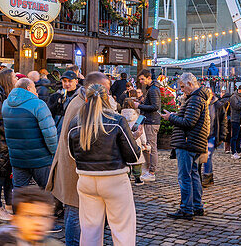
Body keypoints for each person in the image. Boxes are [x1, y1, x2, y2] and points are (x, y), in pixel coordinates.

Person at [68, 82, 141, 246]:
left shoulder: (76, 123)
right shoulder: (117, 121)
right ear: (107, 99)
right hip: (114, 178)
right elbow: (132, 155)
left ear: (86, 100)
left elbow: (72, 153)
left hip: (86, 178)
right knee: (122, 228)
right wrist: (135, 138)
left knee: (89, 230)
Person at [48, 71, 110, 246]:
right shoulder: (81, 106)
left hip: (74, 166)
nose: (108, 93)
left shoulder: (81, 101)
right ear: (94, 88)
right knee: (74, 212)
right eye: (105, 89)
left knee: (73, 211)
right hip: (74, 167)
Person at [162, 72, 209, 220]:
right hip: (194, 142)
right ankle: (196, 206)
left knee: (185, 177)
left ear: (190, 84)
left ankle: (186, 209)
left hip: (188, 142)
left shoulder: (195, 99)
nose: (182, 90)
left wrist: (171, 117)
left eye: (183, 87)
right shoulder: (197, 98)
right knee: (193, 174)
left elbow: (189, 122)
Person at [3, 77, 58, 190]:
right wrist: (54, 152)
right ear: (29, 88)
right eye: (34, 88)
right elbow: (50, 133)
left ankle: (18, 208)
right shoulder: (38, 104)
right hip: (40, 158)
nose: (36, 92)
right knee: (47, 189)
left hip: (17, 157)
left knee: (19, 190)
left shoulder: (6, 104)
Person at [0, 186, 64, 246]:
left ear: (52, 220)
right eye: (29, 216)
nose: (38, 222)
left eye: (44, 217)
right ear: (15, 220)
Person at [0, 69, 16, 220]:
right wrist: (11, 131)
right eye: (13, 76)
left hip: (6, 140)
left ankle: (8, 205)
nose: (15, 78)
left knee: (8, 175)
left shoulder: (7, 95)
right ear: (7, 79)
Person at [135, 69, 161, 181]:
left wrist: (139, 106)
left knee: (151, 147)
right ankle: (149, 170)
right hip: (149, 121)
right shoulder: (151, 89)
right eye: (140, 79)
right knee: (148, 146)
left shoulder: (153, 90)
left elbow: (155, 106)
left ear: (148, 78)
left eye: (142, 79)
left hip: (152, 122)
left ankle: (151, 172)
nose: (140, 81)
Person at [201, 88, 228, 186]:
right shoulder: (201, 104)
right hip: (202, 135)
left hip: (212, 135)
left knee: (207, 156)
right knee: (203, 156)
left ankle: (207, 176)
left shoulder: (218, 105)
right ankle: (209, 176)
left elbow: (223, 122)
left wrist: (222, 136)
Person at [227, 84, 241, 159]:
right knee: (234, 136)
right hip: (235, 119)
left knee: (239, 136)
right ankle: (233, 152)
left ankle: (239, 151)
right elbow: (237, 107)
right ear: (240, 90)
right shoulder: (233, 97)